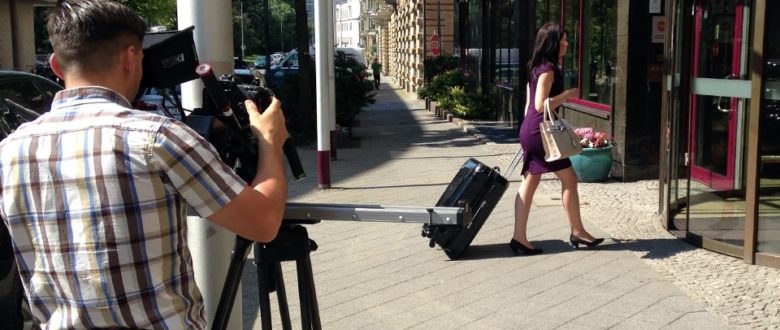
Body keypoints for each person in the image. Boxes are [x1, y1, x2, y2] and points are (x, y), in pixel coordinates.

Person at [0, 1, 289, 328]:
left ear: (55, 65)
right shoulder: (158, 138)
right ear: (129, 57)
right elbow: (264, 222)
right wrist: (269, 142)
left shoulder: (9, 150)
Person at [511, 22, 604, 256]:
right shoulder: (548, 70)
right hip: (540, 133)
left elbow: (528, 106)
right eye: (562, 40)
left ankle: (519, 237)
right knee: (570, 179)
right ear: (552, 43)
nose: (566, 44)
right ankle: (577, 231)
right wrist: (568, 95)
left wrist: (526, 133)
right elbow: (540, 104)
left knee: (530, 184)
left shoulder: (536, 67)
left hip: (531, 130)